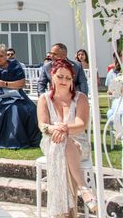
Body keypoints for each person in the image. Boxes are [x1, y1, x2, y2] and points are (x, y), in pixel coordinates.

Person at [37, 59, 97, 216]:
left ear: (73, 79)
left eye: (68, 78)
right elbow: (42, 125)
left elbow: (81, 124)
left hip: (79, 143)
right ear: (52, 76)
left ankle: (62, 213)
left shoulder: (80, 98)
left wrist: (64, 129)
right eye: (60, 76)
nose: (64, 81)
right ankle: (84, 188)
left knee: (62, 142)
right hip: (51, 141)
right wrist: (55, 128)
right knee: (59, 143)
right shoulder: (44, 99)